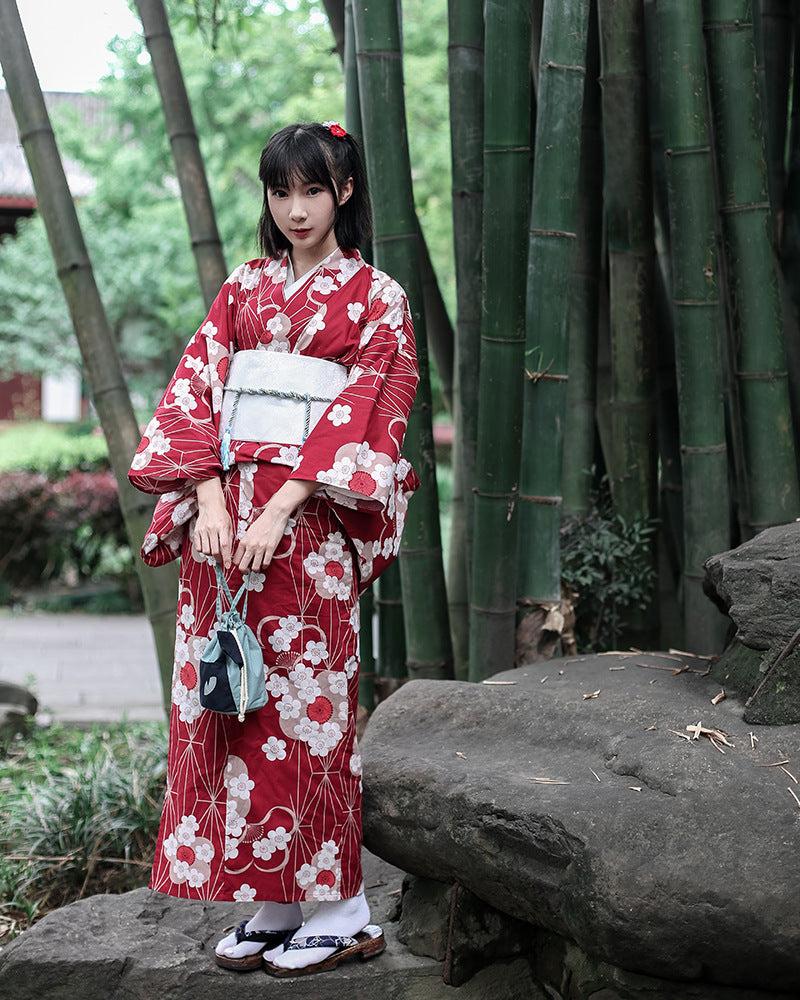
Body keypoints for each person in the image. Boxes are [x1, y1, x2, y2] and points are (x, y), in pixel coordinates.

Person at [127, 119, 421, 977]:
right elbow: (197, 393)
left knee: (308, 710)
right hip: (220, 535)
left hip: (310, 529)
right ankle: (276, 898)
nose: (297, 209)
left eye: (314, 191)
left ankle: (343, 905)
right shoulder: (243, 290)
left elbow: (370, 408)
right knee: (234, 702)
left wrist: (281, 504)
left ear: (346, 193)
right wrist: (211, 498)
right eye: (281, 192)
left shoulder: (377, 299)